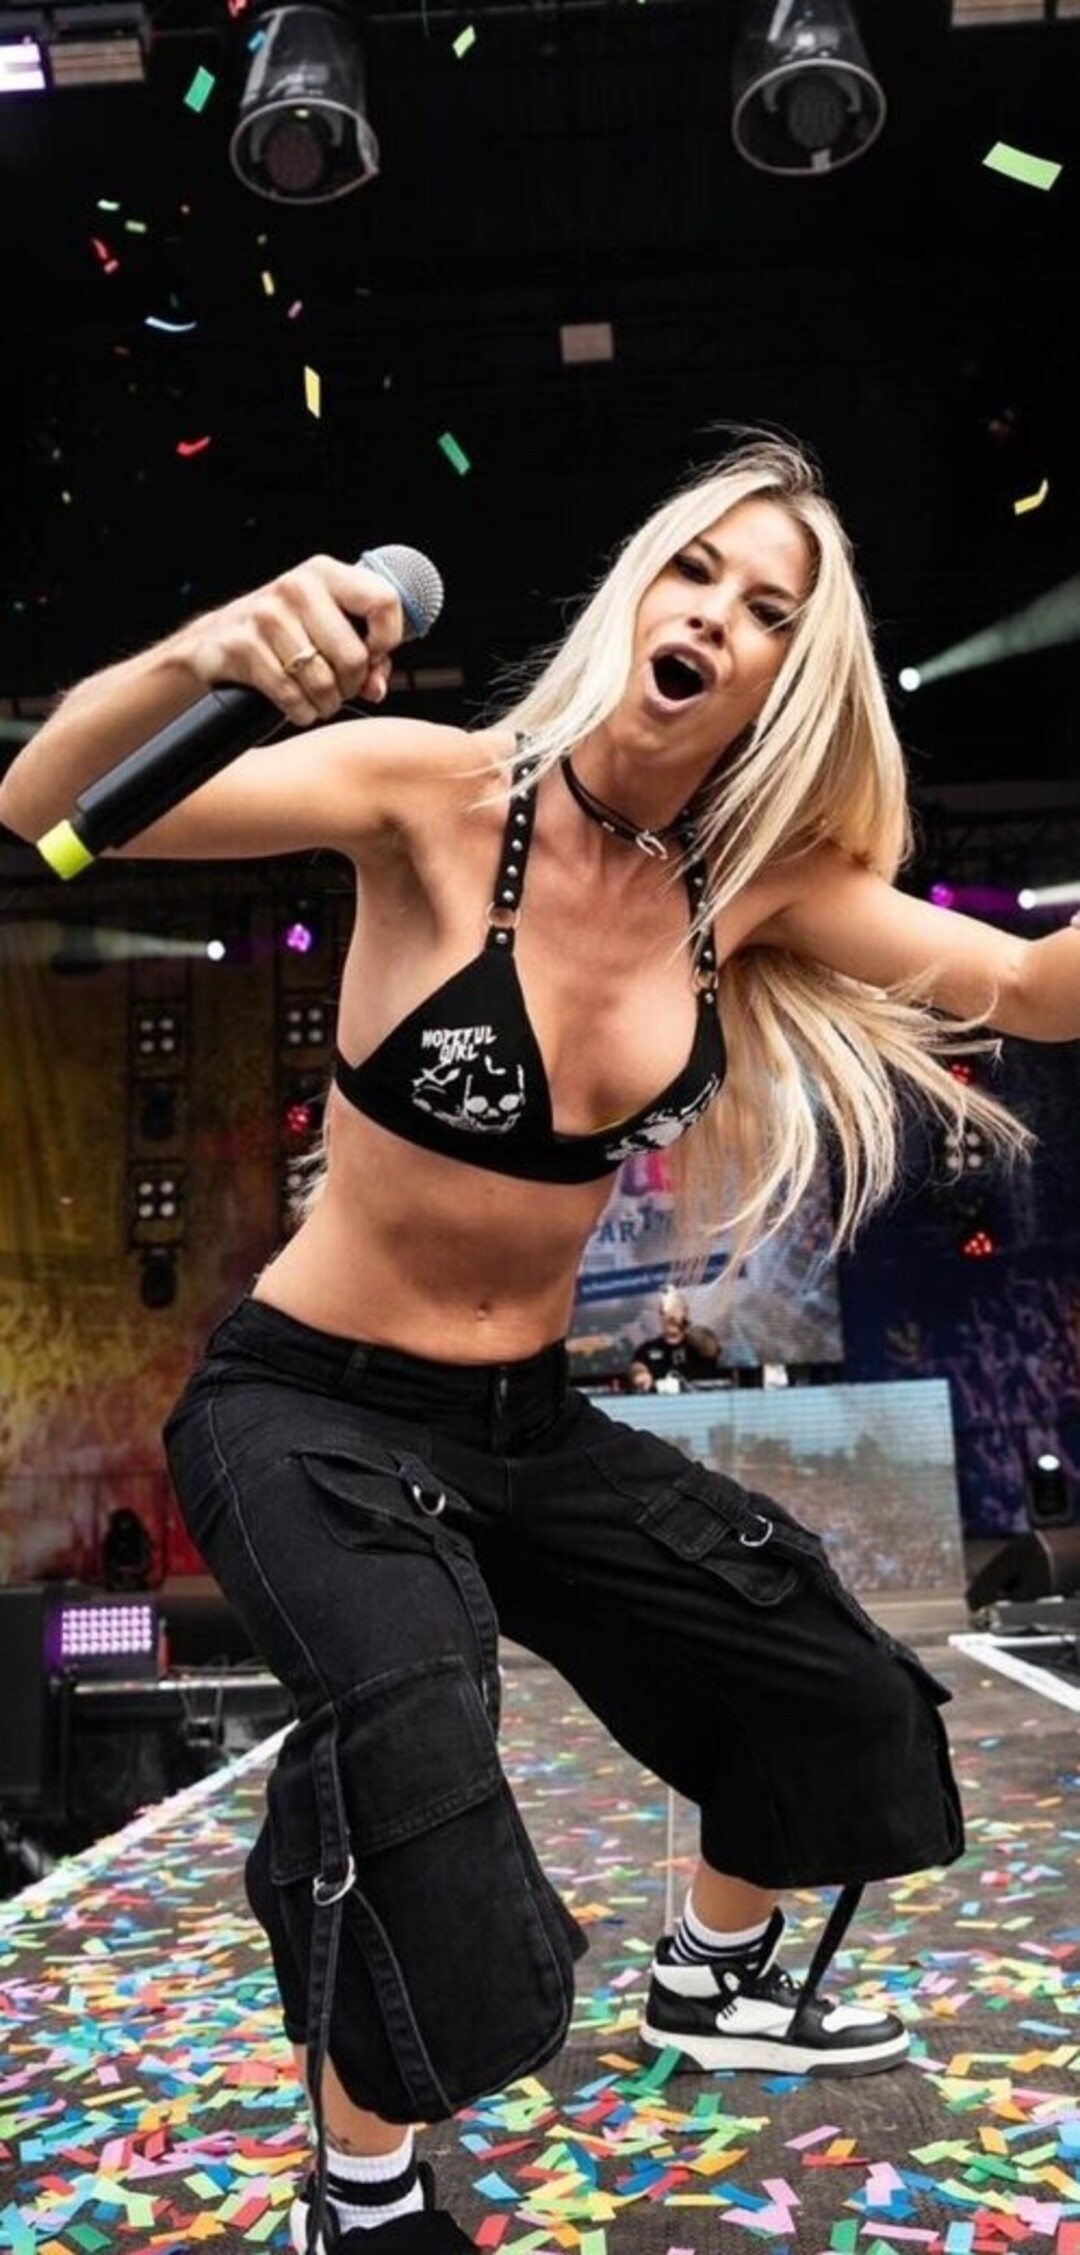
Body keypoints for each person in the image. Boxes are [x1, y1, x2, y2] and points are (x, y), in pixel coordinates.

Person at [4, 432, 1077, 2255]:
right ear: (638, 591)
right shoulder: (435, 793)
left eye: (770, 610)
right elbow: (48, 805)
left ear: (789, 678)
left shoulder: (749, 890)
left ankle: (713, 1971)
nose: (717, 616)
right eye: (698, 571)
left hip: (524, 1425)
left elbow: (1037, 986)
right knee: (413, 1740)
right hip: (308, 1410)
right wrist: (207, 651)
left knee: (824, 1675)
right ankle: (359, 2186)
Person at [626, 1286, 723, 1390]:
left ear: (686, 1313)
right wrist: (640, 1374)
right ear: (660, 1316)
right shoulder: (647, 1348)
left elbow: (711, 1348)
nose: (671, 1316)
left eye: (676, 1309)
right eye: (666, 1311)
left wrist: (682, 1325)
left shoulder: (699, 1343)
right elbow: (637, 1367)